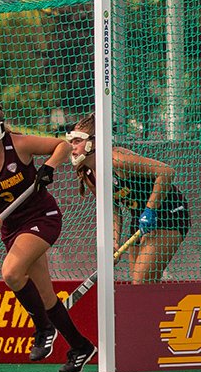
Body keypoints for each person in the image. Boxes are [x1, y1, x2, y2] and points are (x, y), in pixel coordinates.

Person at [0, 103, 96, 372]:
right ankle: (80, 346)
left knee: (10, 272)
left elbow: (62, 146)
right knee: (45, 295)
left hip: (42, 217)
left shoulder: (18, 145)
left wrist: (48, 167)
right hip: (11, 226)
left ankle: (43, 328)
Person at [67, 113, 189, 284]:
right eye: (71, 141)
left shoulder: (117, 160)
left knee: (141, 281)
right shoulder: (88, 175)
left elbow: (166, 172)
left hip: (168, 213)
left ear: (93, 142)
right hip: (140, 219)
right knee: (139, 286)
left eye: (77, 141)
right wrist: (114, 242)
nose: (72, 147)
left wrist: (150, 210)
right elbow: (113, 208)